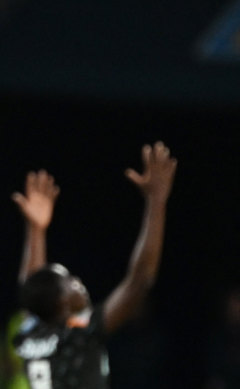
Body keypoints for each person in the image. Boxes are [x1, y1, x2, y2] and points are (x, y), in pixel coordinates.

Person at [11, 141, 177, 389]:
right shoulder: (78, 334)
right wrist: (156, 202)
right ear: (61, 302)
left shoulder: (29, 336)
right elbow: (140, 279)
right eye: (68, 282)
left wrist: (36, 231)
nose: (77, 282)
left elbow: (35, 292)